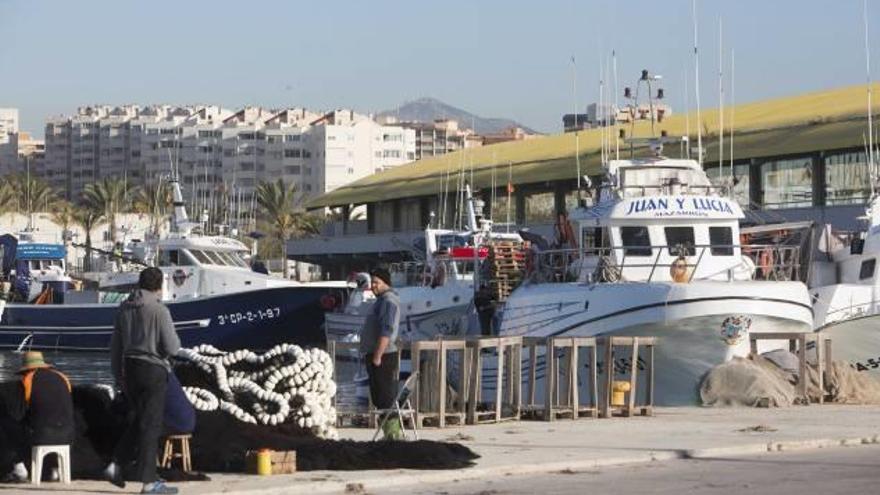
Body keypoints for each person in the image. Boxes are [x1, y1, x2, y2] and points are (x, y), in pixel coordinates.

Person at [108, 267, 181, 494]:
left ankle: (115, 464)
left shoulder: (124, 308)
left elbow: (115, 346)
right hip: (153, 370)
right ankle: (149, 483)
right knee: (151, 425)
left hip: (130, 369)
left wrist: (118, 376)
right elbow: (172, 347)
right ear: (159, 286)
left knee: (139, 419)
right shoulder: (160, 311)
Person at [1, 351, 75, 482]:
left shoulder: (28, 380)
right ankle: (54, 470)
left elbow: (19, 413)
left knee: (6, 425)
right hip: (69, 434)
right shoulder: (62, 377)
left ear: (27, 368)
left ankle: (18, 468)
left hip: (43, 434)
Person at [359, 267, 401, 440]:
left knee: (385, 396)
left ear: (386, 283)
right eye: (372, 282)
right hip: (376, 355)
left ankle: (393, 435)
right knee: (379, 396)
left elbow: (387, 330)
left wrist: (377, 356)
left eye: (377, 282)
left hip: (383, 356)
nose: (373, 286)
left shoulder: (388, 301)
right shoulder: (381, 300)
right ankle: (388, 433)